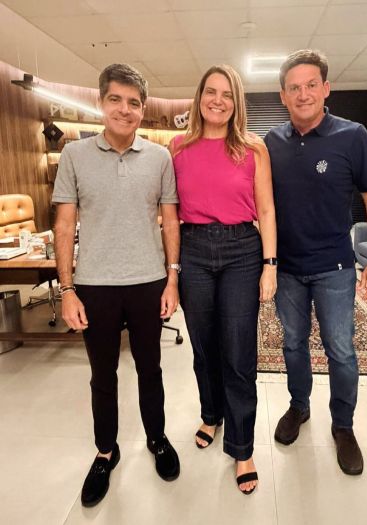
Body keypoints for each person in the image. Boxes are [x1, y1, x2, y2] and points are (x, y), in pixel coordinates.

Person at [52, 63, 181, 507]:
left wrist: (173, 278)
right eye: (116, 100)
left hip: (148, 283)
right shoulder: (74, 155)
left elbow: (170, 221)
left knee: (151, 370)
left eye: (134, 103)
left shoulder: (160, 158)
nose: (125, 110)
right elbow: (64, 225)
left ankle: (157, 439)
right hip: (94, 286)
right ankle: (106, 451)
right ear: (100, 102)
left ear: (143, 108)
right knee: (102, 375)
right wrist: (67, 289)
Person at [264, 49, 367, 475]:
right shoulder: (271, 143)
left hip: (334, 267)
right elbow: (262, 205)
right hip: (287, 269)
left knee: (341, 350)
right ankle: (299, 406)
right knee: (292, 343)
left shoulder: (353, 136)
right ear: (283, 96)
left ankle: (343, 425)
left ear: (326, 89)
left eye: (311, 85)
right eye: (294, 88)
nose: (303, 94)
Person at [169, 64, 277, 494]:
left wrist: (270, 264)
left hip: (241, 252)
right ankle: (211, 414)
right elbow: (169, 212)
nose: (218, 100)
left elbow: (266, 209)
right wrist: (171, 270)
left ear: (237, 103)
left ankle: (242, 445)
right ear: (199, 98)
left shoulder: (253, 148)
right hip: (194, 250)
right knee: (203, 346)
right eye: (211, 92)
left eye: (227, 94)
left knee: (238, 351)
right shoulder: (177, 147)